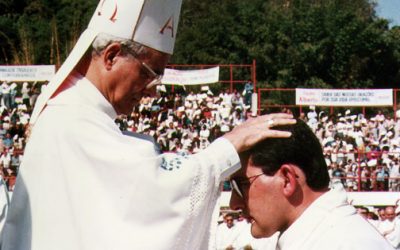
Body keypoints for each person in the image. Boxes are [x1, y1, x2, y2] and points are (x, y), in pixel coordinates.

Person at [1, 1, 295, 250]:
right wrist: (226, 148)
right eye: (150, 72)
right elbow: (153, 192)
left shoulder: (77, 115)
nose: (153, 90)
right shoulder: (71, 121)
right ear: (112, 55)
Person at [229, 119, 393, 250]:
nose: (234, 204)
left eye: (241, 184)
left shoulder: (343, 242)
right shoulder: (327, 235)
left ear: (287, 180)